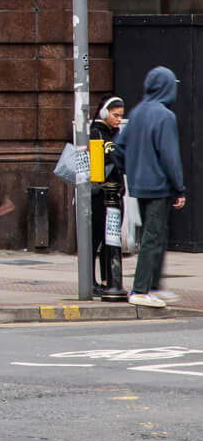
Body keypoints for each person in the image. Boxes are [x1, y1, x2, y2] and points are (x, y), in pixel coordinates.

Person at [113, 66, 186, 308]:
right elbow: (170, 157)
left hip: (139, 185)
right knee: (153, 237)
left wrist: (130, 171)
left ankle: (153, 286)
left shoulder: (137, 112)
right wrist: (179, 188)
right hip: (159, 185)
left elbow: (118, 147)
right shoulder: (165, 116)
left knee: (155, 235)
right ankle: (141, 289)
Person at [89, 96, 126, 296]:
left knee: (110, 238)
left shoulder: (116, 133)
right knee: (95, 239)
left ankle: (107, 280)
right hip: (99, 196)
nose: (119, 119)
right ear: (104, 112)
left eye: (121, 115)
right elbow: (102, 162)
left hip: (115, 192)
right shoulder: (96, 133)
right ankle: (90, 281)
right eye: (115, 115)